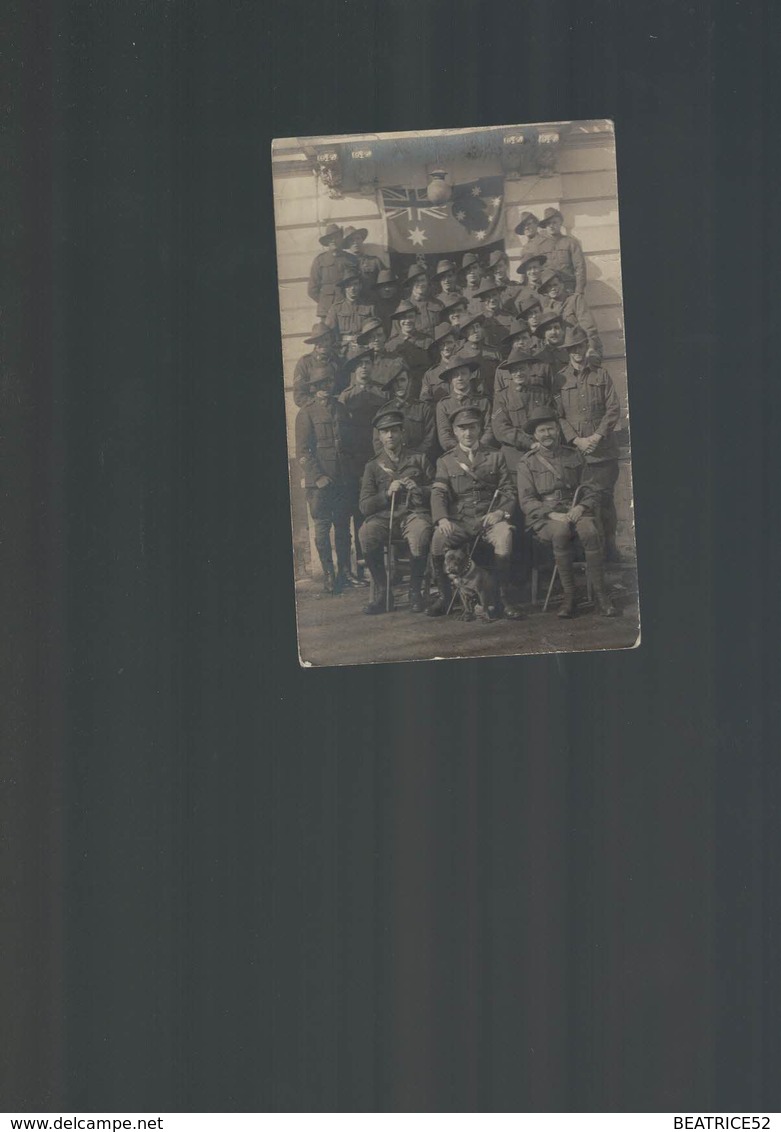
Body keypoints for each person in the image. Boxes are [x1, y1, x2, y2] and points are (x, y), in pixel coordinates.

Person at [516, 404, 615, 617]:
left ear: (558, 430)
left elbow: (591, 487)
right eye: (542, 431)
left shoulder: (574, 455)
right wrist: (551, 514)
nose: (547, 434)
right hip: (546, 516)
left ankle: (601, 596)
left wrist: (581, 507)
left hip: (575, 509)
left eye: (551, 429)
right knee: (560, 532)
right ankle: (570, 597)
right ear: (535, 434)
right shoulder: (527, 463)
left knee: (589, 532)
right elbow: (526, 500)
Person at [429, 405, 523, 619]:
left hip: (488, 518)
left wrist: (500, 514)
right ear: (454, 431)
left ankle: (501, 598)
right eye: (462, 428)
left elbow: (508, 491)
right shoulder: (446, 460)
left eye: (472, 427)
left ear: (480, 429)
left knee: (505, 535)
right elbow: (439, 493)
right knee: (437, 539)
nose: (468, 433)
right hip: (460, 521)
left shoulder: (495, 456)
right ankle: (444, 596)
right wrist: (442, 518)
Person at [555, 325, 622, 562]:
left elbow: (613, 408)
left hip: (603, 451)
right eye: (572, 348)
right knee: (581, 503)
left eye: (580, 346)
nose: (576, 351)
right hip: (577, 454)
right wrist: (577, 440)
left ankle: (610, 549)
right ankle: (588, 553)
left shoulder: (600, 374)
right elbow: (559, 416)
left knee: (605, 501)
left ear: (586, 346)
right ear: (567, 351)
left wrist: (596, 437)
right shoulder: (560, 379)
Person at [359, 407, 435, 614]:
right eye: (385, 431)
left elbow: (437, 491)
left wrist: (418, 489)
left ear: (403, 433)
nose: (390, 435)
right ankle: (384, 592)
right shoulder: (373, 466)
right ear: (380, 436)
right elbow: (364, 505)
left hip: (413, 514)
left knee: (420, 534)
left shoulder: (418, 459)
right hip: (385, 517)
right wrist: (385, 494)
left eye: (394, 430)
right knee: (366, 533)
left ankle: (415, 591)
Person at [295, 368, 357, 595]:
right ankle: (329, 575)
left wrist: (349, 474)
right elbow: (303, 452)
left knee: (343, 527)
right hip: (320, 483)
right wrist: (318, 476)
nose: (324, 387)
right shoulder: (306, 413)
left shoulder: (341, 409)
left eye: (328, 382)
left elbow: (347, 445)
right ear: (313, 387)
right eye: (319, 384)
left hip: (342, 480)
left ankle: (344, 572)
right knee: (322, 528)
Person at [491, 344, 557, 472]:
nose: (519, 373)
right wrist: (529, 443)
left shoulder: (542, 393)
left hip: (542, 450)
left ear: (530, 369)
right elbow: (501, 429)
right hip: (514, 454)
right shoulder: (502, 397)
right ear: (510, 373)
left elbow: (552, 420)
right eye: (515, 370)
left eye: (522, 369)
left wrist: (542, 442)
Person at [373, 368, 437, 463]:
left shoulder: (423, 408)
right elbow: (378, 442)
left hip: (419, 461)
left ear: (409, 381)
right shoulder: (384, 411)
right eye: (395, 382)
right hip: (393, 463)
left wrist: (415, 458)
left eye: (402, 380)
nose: (399, 385)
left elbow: (430, 438)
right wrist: (390, 460)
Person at [537, 269, 603, 361]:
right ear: (545, 290)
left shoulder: (575, 300)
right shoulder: (547, 309)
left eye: (555, 285)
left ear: (562, 284)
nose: (553, 288)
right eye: (549, 286)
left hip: (580, 351)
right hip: (560, 356)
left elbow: (590, 328)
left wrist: (592, 348)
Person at [435, 358, 494, 453]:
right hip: (455, 455)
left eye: (464, 373)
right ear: (450, 379)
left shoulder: (483, 401)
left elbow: (489, 429)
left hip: (483, 452)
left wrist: (478, 449)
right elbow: (445, 436)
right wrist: (462, 452)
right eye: (455, 375)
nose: (460, 378)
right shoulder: (444, 405)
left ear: (470, 375)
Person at [385, 300, 434, 400]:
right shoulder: (391, 345)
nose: (407, 321)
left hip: (423, 389)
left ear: (416, 318)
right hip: (400, 390)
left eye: (410, 316)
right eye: (403, 317)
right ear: (398, 320)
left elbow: (434, 366)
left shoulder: (428, 341)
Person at [307, 223, 356, 320]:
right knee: (328, 334)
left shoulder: (351, 259)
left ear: (341, 239)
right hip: (327, 311)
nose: (333, 240)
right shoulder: (320, 260)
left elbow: (357, 283)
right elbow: (312, 289)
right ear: (327, 241)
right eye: (330, 238)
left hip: (348, 308)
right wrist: (325, 302)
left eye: (336, 237)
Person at [293, 323, 346, 407]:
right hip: (314, 409)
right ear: (314, 343)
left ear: (331, 341)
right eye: (318, 341)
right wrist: (316, 398)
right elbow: (299, 397)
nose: (322, 344)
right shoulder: (305, 362)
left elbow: (344, 388)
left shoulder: (338, 360)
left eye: (326, 340)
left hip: (336, 408)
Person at [537, 207, 587, 295]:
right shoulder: (540, 246)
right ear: (545, 226)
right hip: (549, 291)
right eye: (548, 223)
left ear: (560, 223)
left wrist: (579, 291)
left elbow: (580, 267)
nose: (551, 226)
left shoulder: (571, 242)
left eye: (554, 222)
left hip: (568, 289)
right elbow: (538, 271)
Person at [325, 273, 376, 355]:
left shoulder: (369, 307)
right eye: (349, 285)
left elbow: (375, 329)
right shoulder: (336, 308)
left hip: (364, 347)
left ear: (360, 286)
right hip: (342, 349)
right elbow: (328, 332)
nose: (353, 288)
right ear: (344, 288)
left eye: (355, 284)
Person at [355, 317, 408, 389]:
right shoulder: (359, 364)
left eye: (379, 335)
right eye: (372, 337)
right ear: (366, 340)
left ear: (385, 337)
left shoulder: (397, 361)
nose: (376, 339)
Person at [457, 313, 502, 399]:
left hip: (493, 397)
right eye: (471, 328)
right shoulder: (459, 356)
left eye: (477, 326)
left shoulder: (494, 352)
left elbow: (501, 377)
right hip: (470, 399)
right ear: (464, 332)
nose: (475, 330)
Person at [419, 323, 465, 405]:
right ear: (437, 347)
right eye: (442, 344)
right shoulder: (430, 375)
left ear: (456, 343)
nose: (446, 347)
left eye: (449, 342)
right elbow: (425, 403)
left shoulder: (466, 368)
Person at [340, 226, 386, 298]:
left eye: (358, 238)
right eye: (351, 240)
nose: (355, 242)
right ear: (348, 244)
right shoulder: (343, 263)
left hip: (371, 302)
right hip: (352, 305)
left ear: (362, 240)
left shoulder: (374, 261)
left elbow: (384, 283)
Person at [472, 279, 515, 349]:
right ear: (483, 299)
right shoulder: (477, 320)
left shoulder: (510, 318)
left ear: (499, 295)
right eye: (488, 297)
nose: (492, 299)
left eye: (494, 295)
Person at [404, 264, 443, 336]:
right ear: (411, 284)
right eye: (416, 281)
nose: (420, 284)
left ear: (427, 282)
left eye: (423, 280)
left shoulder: (438, 304)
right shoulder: (404, 307)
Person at [532, 307, 570, 373]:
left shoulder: (570, 353)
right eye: (549, 329)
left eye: (557, 327)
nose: (554, 332)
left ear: (562, 330)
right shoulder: (538, 357)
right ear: (543, 333)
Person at [488, 249, 522, 314]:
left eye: (500, 266)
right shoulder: (488, 290)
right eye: (495, 268)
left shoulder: (516, 287)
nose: (498, 270)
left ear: (506, 266)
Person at [372, 268, 402, 336]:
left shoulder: (401, 305)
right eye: (383, 286)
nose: (387, 289)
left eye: (390, 286)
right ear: (378, 289)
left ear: (395, 288)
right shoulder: (374, 308)